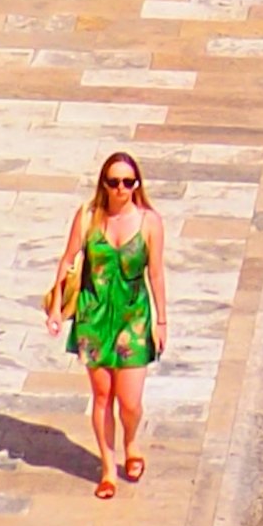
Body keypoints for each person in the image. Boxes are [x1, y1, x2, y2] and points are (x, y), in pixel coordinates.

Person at [48, 151, 163, 495]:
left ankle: (131, 442)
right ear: (104, 183)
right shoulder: (87, 218)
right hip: (94, 317)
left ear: (136, 184)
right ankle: (108, 468)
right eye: (114, 182)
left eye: (128, 182)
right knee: (102, 395)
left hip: (133, 318)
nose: (121, 188)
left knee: (129, 402)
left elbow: (155, 273)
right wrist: (56, 306)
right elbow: (68, 261)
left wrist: (163, 320)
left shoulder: (150, 222)